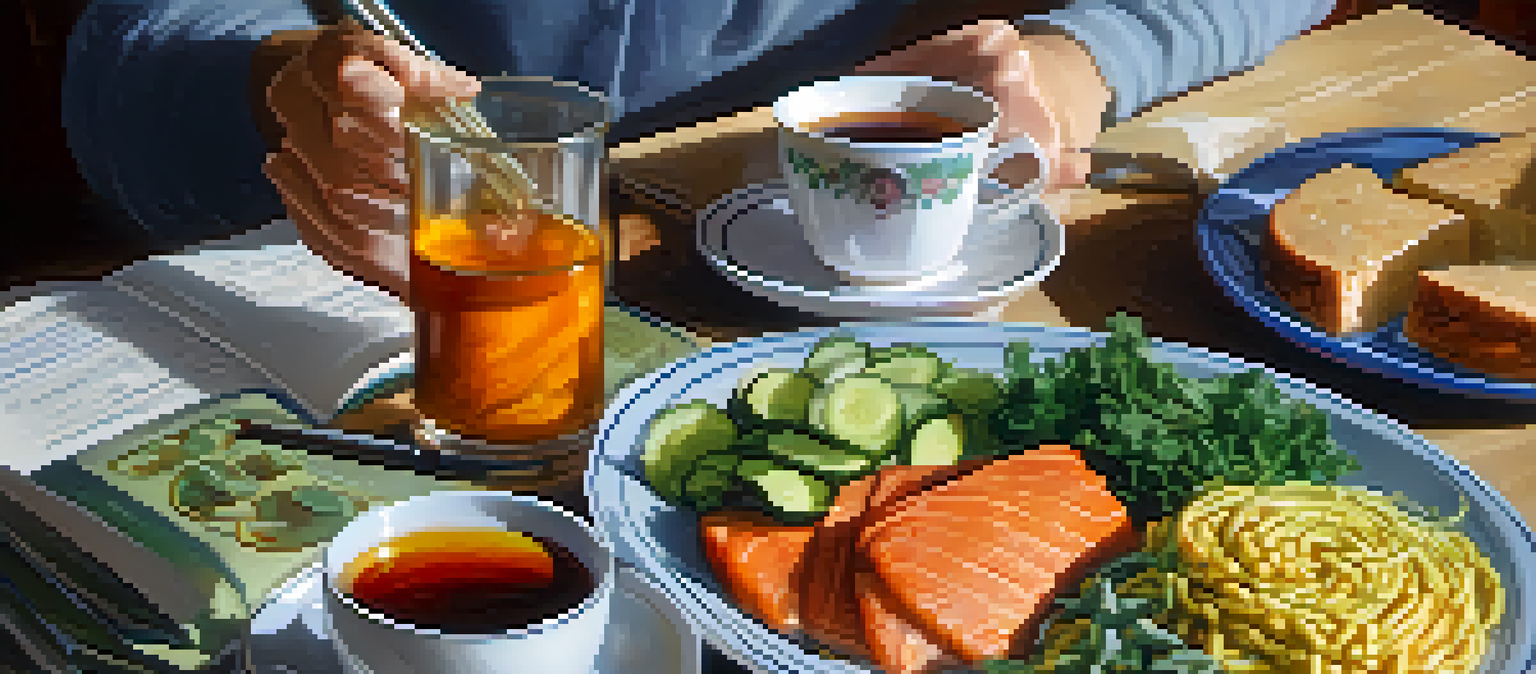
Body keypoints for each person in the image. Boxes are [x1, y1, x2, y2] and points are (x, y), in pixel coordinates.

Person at [65, 1, 1335, 298]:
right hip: (357, 299)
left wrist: (1088, 52)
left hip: (805, 284)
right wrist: (279, 74)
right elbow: (121, 53)